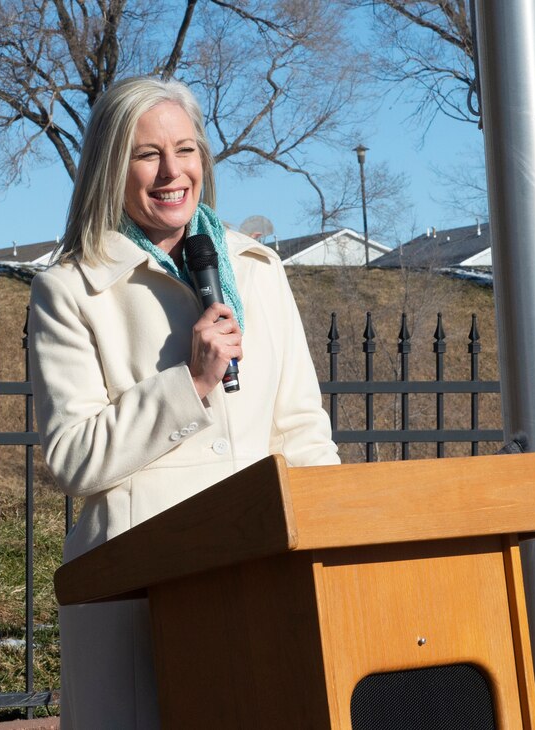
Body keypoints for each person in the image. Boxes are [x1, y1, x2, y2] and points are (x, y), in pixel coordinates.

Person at [29, 76, 339, 729]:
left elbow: (303, 434)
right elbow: (73, 457)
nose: (173, 171)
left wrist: (331, 553)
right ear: (113, 167)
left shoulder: (258, 271)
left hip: (262, 587)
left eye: (186, 149)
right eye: (147, 154)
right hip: (140, 597)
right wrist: (190, 384)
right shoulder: (69, 290)